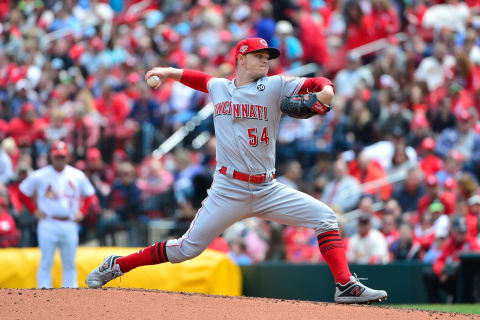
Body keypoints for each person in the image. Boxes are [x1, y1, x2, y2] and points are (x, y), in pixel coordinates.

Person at [86, 37, 387, 303]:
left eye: (268, 57)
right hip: (228, 189)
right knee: (184, 251)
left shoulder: (275, 85)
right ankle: (118, 264)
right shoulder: (220, 87)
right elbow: (202, 79)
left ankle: (345, 285)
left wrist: (327, 92)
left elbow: (316, 81)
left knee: (326, 217)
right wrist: (168, 72)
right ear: (241, 58)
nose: (266, 61)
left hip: (267, 188)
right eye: (259, 56)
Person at [19, 141, 97, 288]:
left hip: (69, 222)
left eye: (62, 156)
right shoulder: (40, 175)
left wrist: (83, 212)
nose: (59, 159)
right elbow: (23, 192)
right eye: (57, 156)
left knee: (69, 261)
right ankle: (42, 293)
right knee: (46, 261)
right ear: (51, 156)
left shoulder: (76, 175)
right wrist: (34, 210)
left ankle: (70, 293)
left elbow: (90, 195)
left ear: (67, 156)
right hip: (48, 222)